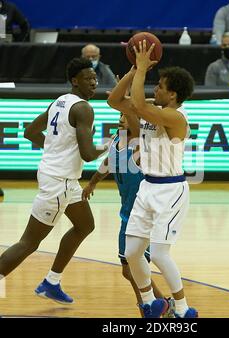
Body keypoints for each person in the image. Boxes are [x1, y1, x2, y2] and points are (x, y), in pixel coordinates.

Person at [0, 57, 109, 304]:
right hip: (59, 182)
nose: (94, 83)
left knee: (85, 226)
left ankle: (52, 282)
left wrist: (53, 150)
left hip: (63, 179)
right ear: (74, 81)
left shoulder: (59, 101)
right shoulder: (83, 108)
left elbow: (30, 131)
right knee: (28, 243)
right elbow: (88, 155)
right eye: (88, 79)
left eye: (95, 78)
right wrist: (109, 144)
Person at [107, 40, 198, 318]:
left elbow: (137, 105)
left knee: (159, 254)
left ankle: (182, 308)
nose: (154, 88)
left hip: (171, 190)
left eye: (160, 86)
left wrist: (142, 69)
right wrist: (135, 70)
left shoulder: (175, 117)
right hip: (147, 186)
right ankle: (150, 302)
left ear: (172, 95)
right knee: (132, 252)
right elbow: (114, 101)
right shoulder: (150, 106)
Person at [82, 113, 175, 318]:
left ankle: (152, 308)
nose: (122, 118)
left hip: (145, 216)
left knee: (133, 267)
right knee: (129, 269)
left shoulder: (143, 147)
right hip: (127, 214)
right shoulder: (117, 140)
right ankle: (162, 305)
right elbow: (109, 162)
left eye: (127, 116)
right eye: (121, 114)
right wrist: (93, 182)